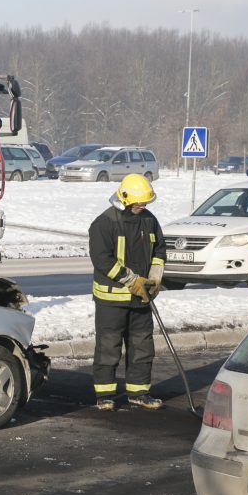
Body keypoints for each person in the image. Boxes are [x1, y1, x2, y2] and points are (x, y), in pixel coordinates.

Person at [88, 173, 166, 411]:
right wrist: (131, 280)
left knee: (142, 346)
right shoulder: (104, 223)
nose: (143, 206)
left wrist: (153, 279)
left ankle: (138, 392)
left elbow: (160, 251)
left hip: (141, 299)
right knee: (109, 346)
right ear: (124, 198)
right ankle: (104, 395)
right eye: (139, 202)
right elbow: (102, 259)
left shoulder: (149, 220)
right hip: (111, 300)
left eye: (145, 202)